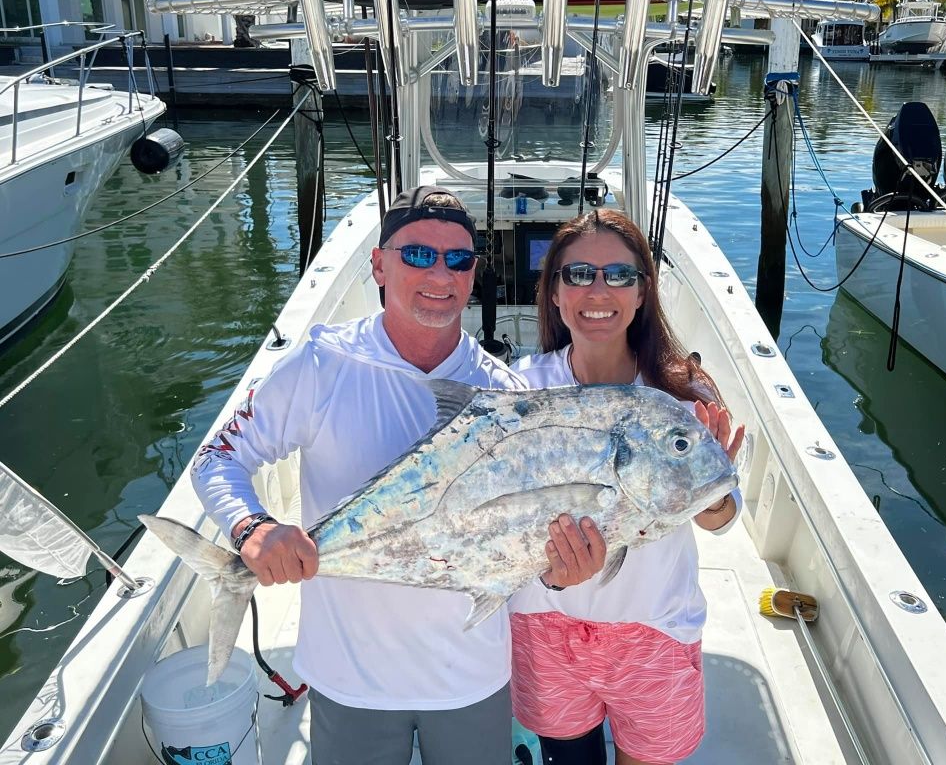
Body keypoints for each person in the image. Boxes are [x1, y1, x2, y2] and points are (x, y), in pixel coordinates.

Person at [190, 185, 606, 765]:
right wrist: (250, 527)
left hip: (471, 676)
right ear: (379, 264)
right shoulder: (320, 364)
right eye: (417, 255)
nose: (440, 272)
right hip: (349, 676)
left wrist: (560, 573)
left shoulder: (504, 396)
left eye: (457, 259)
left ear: (473, 274)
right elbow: (217, 459)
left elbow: (519, 548)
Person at [508, 209, 746, 765]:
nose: (599, 290)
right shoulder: (520, 389)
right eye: (578, 274)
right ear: (554, 293)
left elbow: (726, 512)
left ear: (642, 292)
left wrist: (707, 499)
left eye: (619, 275)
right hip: (547, 624)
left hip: (654, 631)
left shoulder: (682, 390)